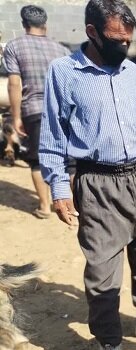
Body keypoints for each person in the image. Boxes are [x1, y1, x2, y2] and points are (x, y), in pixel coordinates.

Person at [39, 0, 136, 350]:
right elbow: (52, 138)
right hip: (98, 183)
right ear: (92, 32)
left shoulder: (134, 73)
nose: (124, 48)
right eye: (116, 40)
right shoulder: (64, 74)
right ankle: (109, 345)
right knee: (102, 271)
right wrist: (58, 186)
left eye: (128, 41)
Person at [3, 5, 70, 219]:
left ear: (24, 24)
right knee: (70, 161)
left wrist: (16, 117)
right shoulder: (62, 50)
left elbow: (14, 84)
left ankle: (44, 206)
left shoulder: (14, 46)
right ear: (46, 24)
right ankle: (76, 204)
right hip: (64, 111)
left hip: (34, 109)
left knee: (37, 159)